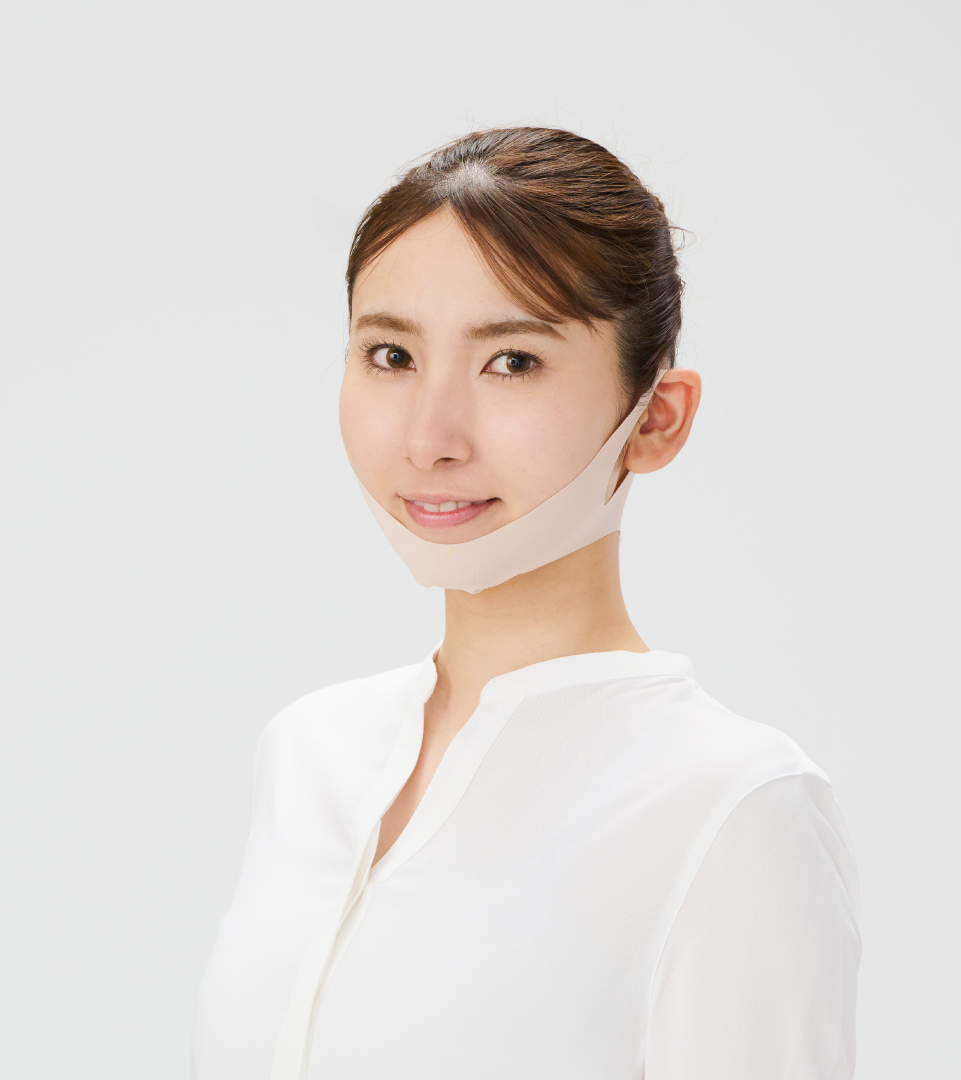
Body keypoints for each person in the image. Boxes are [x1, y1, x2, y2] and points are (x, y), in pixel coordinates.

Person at [191, 127, 861, 1080]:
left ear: (657, 417)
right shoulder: (308, 752)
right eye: (391, 354)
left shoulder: (734, 809)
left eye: (511, 361)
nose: (430, 438)